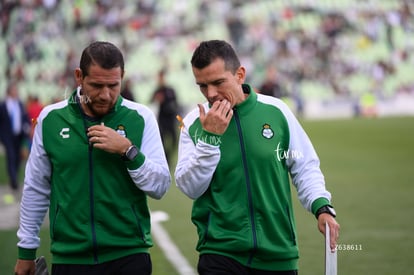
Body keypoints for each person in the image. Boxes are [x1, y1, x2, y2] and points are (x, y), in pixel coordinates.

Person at [174, 40, 340, 274]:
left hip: (279, 252)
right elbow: (190, 187)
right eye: (202, 86)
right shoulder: (193, 123)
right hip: (220, 253)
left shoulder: (276, 111)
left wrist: (322, 207)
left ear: (240, 74)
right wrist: (209, 140)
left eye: (218, 82)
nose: (210, 94)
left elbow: (304, 166)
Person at [14, 41, 171, 275]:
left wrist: (128, 151)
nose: (105, 95)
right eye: (97, 85)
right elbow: (36, 187)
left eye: (113, 85)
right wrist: (26, 251)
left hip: (129, 256)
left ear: (123, 77)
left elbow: (160, 186)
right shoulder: (51, 120)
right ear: (79, 76)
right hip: (70, 258)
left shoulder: (141, 118)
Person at [0, 81, 31, 194]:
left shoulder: (20, 104)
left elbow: (25, 118)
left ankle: (14, 179)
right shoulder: (3, 105)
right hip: (7, 136)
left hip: (19, 135)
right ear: (9, 92)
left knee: (18, 158)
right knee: (11, 157)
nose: (16, 92)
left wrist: (27, 127)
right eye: (14, 90)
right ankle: (13, 182)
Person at [151, 69, 179, 165]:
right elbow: (151, 101)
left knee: (174, 140)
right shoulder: (157, 90)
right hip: (162, 120)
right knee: (162, 141)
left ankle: (170, 156)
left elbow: (175, 103)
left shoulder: (170, 90)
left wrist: (166, 104)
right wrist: (156, 99)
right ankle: (165, 158)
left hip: (170, 119)